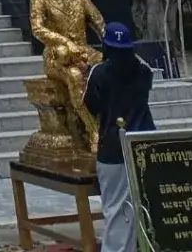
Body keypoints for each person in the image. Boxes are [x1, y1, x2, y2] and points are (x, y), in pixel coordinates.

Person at [83, 22, 155, 252]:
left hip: (113, 148)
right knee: (145, 206)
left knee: (116, 209)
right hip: (145, 145)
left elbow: (91, 105)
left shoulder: (100, 73)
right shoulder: (144, 71)